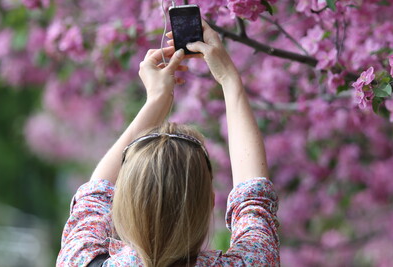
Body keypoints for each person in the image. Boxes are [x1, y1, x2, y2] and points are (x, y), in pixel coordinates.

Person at [56, 20, 279, 267]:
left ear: (120, 204)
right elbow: (253, 200)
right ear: (211, 202)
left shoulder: (80, 261)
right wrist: (228, 78)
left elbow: (95, 195)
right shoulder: (252, 261)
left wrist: (157, 99)